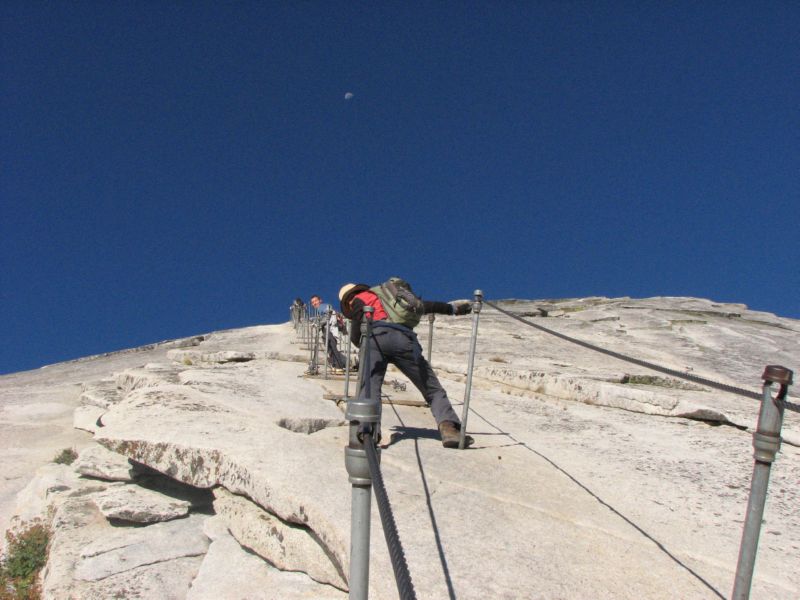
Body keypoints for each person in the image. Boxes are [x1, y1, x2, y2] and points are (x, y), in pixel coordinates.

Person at [338, 281, 474, 448]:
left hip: (375, 338)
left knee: (370, 386)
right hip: (404, 339)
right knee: (431, 388)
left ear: (347, 300)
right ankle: (449, 428)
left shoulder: (359, 299)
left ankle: (368, 431)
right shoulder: (388, 296)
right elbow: (424, 306)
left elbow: (357, 328)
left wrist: (359, 343)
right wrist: (452, 309)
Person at [309, 295, 348, 370]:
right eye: (312, 302)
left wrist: (318, 323)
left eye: (315, 301)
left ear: (320, 300)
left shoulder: (322, 307)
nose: (314, 303)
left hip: (329, 329)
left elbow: (327, 315)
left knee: (331, 346)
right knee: (330, 346)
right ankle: (336, 365)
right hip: (329, 329)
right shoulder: (320, 310)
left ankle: (338, 366)